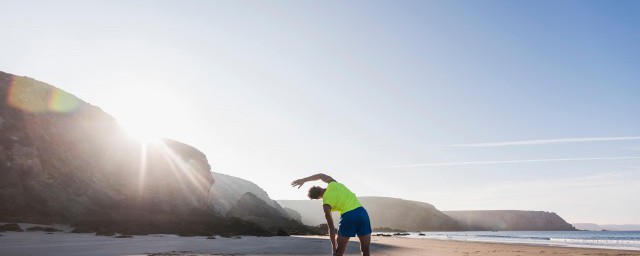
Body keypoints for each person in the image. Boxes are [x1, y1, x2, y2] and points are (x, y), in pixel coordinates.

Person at [291, 173, 371, 256]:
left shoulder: (326, 204)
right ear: (318, 187)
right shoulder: (333, 183)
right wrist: (303, 180)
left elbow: (331, 228)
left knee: (339, 253)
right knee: (365, 250)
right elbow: (320, 175)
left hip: (348, 216)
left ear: (317, 198)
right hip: (362, 213)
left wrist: (333, 247)